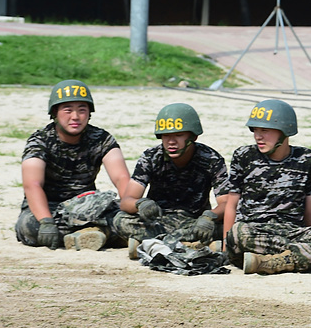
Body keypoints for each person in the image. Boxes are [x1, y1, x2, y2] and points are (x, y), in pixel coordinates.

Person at [222, 98, 311, 275]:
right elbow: (231, 204)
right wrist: (227, 245)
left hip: (292, 231)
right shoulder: (244, 156)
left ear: (284, 131)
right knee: (238, 232)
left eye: (265, 130)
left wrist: (309, 235)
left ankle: (275, 262)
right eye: (255, 130)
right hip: (255, 231)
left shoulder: (309, 160)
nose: (258, 136)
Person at [16, 79, 131, 251]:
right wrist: (46, 221)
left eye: (82, 110)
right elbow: (32, 184)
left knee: (128, 219)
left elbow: (121, 178)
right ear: (55, 112)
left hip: (88, 207)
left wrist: (130, 210)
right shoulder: (39, 141)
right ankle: (99, 234)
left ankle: (92, 233)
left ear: (89, 113)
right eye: (68, 110)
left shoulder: (101, 138)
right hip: (49, 208)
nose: (75, 117)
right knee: (29, 226)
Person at [112, 103, 230, 259]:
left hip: (195, 221)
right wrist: (140, 204)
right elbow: (126, 201)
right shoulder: (151, 157)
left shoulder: (211, 159)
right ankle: (191, 244)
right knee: (120, 219)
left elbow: (226, 203)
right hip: (159, 221)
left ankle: (152, 243)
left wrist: (210, 217)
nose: (171, 141)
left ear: (193, 136)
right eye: (166, 135)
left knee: (230, 225)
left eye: (178, 135)